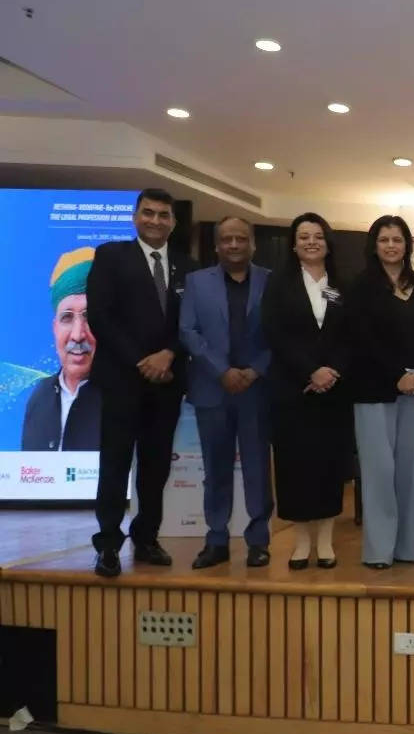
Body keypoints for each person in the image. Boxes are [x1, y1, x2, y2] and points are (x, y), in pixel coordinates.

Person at [87, 188, 189, 577]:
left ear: (173, 223)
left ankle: (146, 537)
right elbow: (101, 316)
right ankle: (108, 544)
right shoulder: (111, 256)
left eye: (164, 215)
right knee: (114, 462)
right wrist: (140, 360)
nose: (156, 221)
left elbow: (192, 324)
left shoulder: (188, 264)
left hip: (167, 381)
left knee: (156, 465)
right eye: (148, 213)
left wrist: (169, 354)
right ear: (135, 216)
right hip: (121, 380)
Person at [178, 217, 273, 569]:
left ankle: (259, 541)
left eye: (241, 238)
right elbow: (188, 331)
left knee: (257, 469)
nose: (234, 244)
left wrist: (254, 370)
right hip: (212, 388)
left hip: (256, 389)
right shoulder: (196, 282)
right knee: (215, 469)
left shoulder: (270, 281)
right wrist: (222, 371)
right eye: (227, 239)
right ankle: (216, 539)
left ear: (252, 244)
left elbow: (279, 332)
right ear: (216, 245)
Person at [261, 213, 353, 570]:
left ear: (328, 242)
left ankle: (327, 542)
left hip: (333, 390)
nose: (311, 242)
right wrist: (309, 370)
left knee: (329, 466)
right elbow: (274, 332)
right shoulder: (278, 283)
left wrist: (332, 371)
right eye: (304, 237)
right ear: (294, 244)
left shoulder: (342, 283)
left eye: (318, 236)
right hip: (292, 388)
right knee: (294, 466)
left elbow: (350, 335)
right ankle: (301, 543)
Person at [347, 215, 414, 570]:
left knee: (410, 471)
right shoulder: (359, 287)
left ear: (407, 244)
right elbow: (360, 341)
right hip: (375, 390)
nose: (391, 245)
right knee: (379, 471)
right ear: (374, 245)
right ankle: (379, 550)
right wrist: (397, 375)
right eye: (384, 239)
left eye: (397, 239)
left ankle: (409, 547)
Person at [22, 247, 101, 452]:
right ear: (55, 328)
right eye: (67, 317)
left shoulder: (127, 399)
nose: (77, 335)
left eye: (89, 317)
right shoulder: (39, 398)